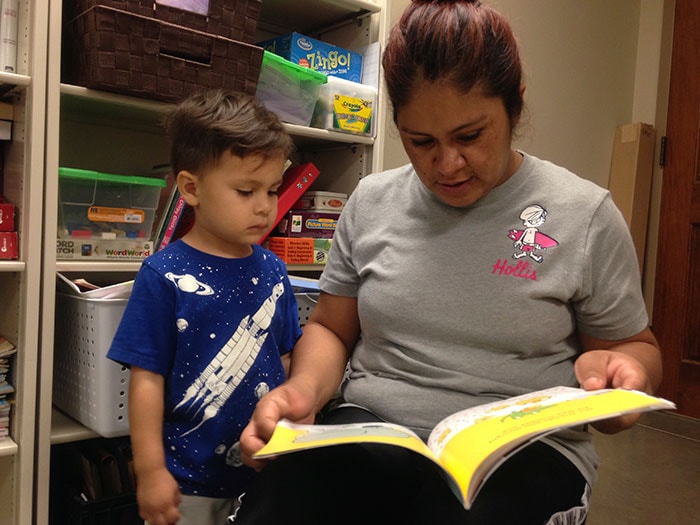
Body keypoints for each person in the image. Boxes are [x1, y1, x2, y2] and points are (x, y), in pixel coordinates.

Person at [231, 1, 663, 524]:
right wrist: (301, 391)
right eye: (421, 142)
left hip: (524, 450)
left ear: (515, 107)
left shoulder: (584, 214)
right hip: (373, 428)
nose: (447, 165)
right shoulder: (370, 201)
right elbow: (331, 329)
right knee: (282, 500)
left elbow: (633, 347)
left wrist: (624, 376)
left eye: (470, 136)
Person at [107, 89, 300, 525]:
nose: (264, 206)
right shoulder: (163, 274)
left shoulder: (274, 269)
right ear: (191, 188)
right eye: (246, 190)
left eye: (272, 190)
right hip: (185, 482)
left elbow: (285, 358)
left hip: (264, 472)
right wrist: (151, 471)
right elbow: (146, 380)